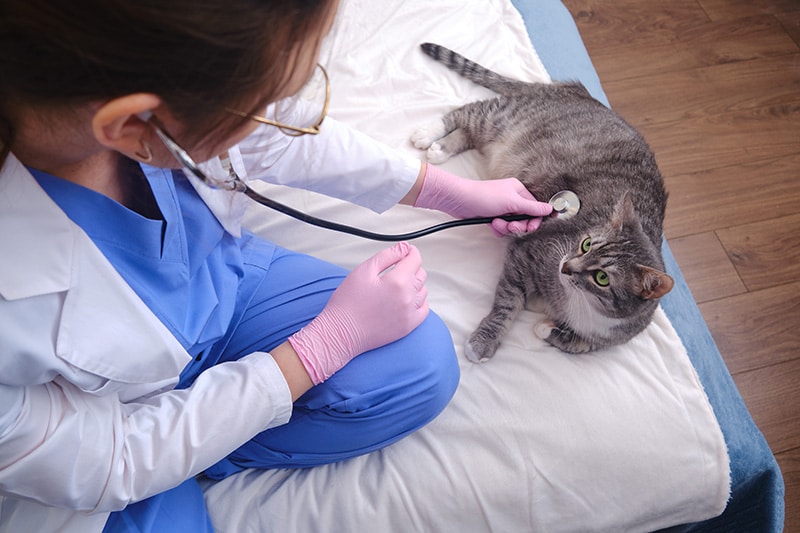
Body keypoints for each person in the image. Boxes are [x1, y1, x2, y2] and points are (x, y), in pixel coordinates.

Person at [0, 0, 553, 530]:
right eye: (263, 98)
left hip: (227, 283)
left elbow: (277, 140)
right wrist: (322, 349)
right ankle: (187, 457)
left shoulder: (149, 83)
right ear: (131, 126)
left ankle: (206, 441)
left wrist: (450, 192)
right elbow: (110, 461)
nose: (284, 116)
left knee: (420, 365)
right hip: (107, 430)